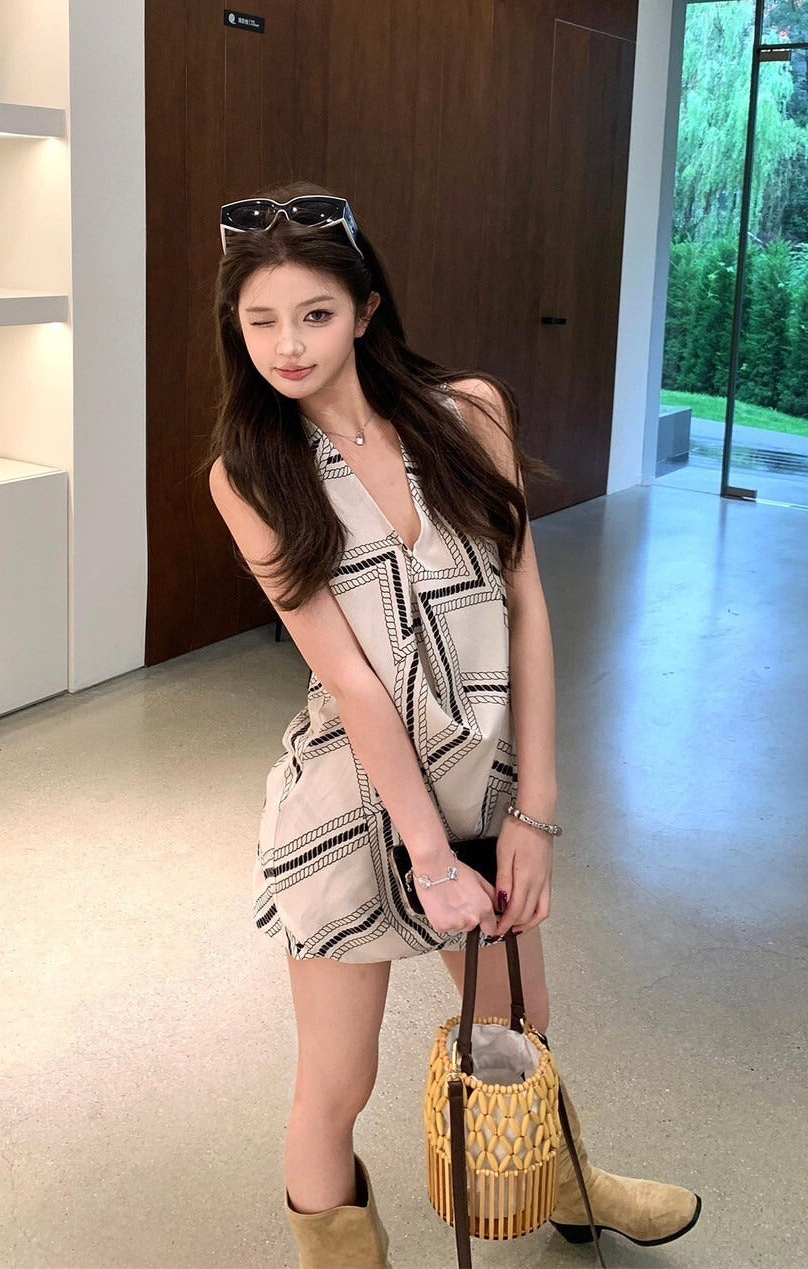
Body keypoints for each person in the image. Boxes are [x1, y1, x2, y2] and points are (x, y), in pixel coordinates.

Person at [206, 185, 702, 1268]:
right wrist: (429, 860)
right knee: (339, 1082)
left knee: (518, 1029)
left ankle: (570, 1185)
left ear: (366, 309)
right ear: (235, 327)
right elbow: (350, 680)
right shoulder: (251, 474)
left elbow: (527, 608)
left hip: (482, 787)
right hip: (351, 806)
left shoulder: (471, 411)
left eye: (315, 314)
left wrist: (535, 811)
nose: (288, 345)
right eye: (261, 320)